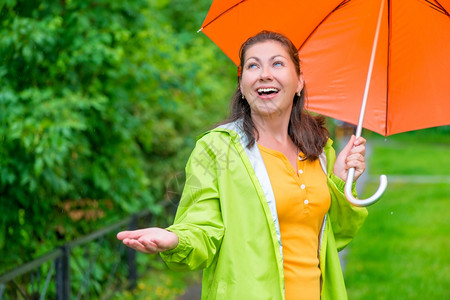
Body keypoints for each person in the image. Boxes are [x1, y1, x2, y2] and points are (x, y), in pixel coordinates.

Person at [117, 30, 368, 300]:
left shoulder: (319, 149)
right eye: (253, 65)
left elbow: (335, 236)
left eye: (277, 63)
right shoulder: (216, 149)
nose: (264, 74)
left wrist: (342, 181)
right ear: (242, 85)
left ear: (299, 83)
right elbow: (203, 228)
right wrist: (175, 240)